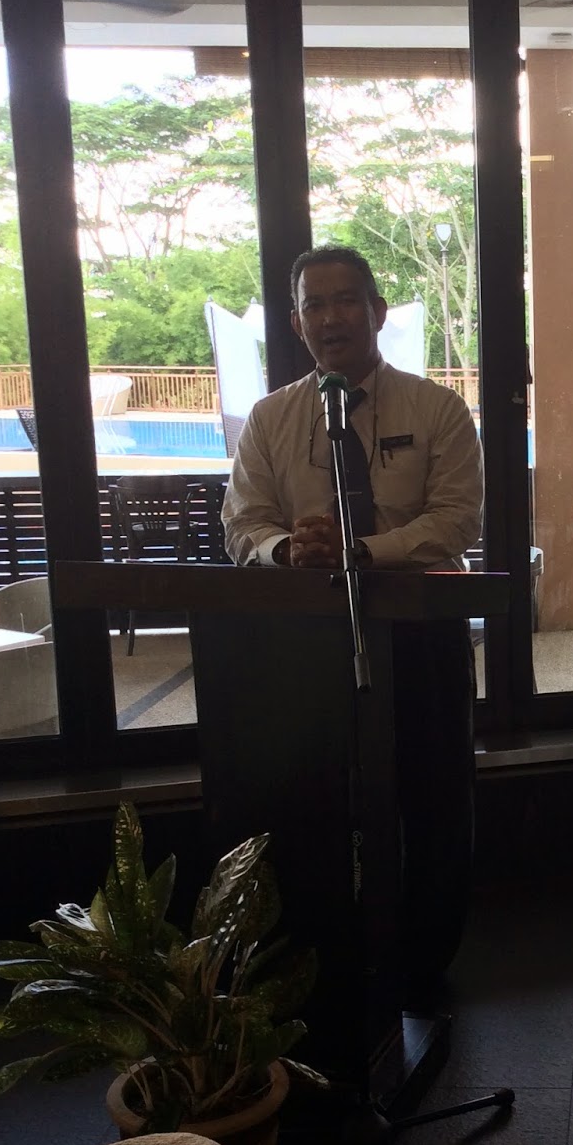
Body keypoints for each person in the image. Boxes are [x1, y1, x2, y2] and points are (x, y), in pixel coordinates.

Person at [221, 243, 484, 990]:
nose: (330, 318)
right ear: (296, 322)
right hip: (305, 645)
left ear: (377, 311)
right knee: (315, 798)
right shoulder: (271, 417)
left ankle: (425, 961)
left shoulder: (436, 408)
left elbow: (456, 520)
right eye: (314, 305)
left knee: (432, 794)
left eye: (345, 301)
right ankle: (325, 960)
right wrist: (287, 551)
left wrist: (361, 550)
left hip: (419, 634)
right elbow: (242, 524)